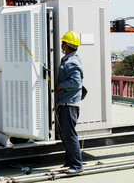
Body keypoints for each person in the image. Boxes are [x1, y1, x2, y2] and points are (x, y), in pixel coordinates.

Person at [56, 31, 84, 173]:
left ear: (66, 45)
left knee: (70, 134)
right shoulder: (68, 59)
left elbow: (75, 82)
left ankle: (77, 165)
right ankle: (69, 162)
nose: (61, 44)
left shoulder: (72, 61)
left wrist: (60, 85)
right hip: (65, 103)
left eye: (63, 42)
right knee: (65, 134)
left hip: (69, 104)